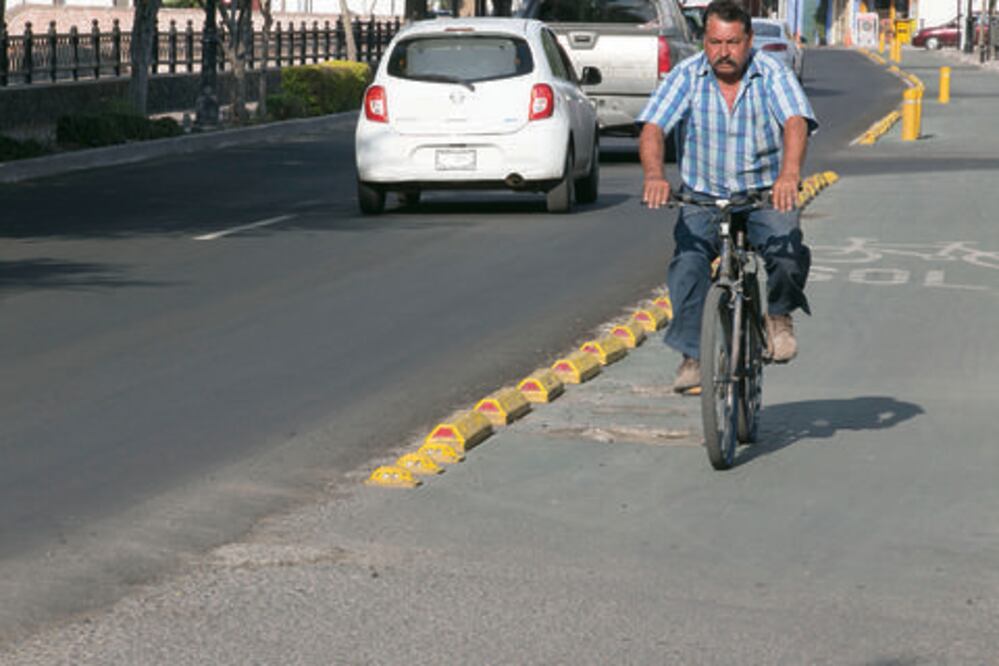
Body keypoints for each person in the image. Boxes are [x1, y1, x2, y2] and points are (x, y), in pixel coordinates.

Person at [637, 0, 818, 394]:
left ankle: (778, 318)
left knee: (786, 253)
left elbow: (795, 122)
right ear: (705, 40)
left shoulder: (771, 72)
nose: (723, 52)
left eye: (733, 43)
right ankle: (693, 355)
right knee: (687, 266)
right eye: (715, 42)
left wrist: (789, 175)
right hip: (704, 194)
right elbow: (653, 127)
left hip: (763, 194)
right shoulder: (686, 75)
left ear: (749, 41)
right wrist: (655, 175)